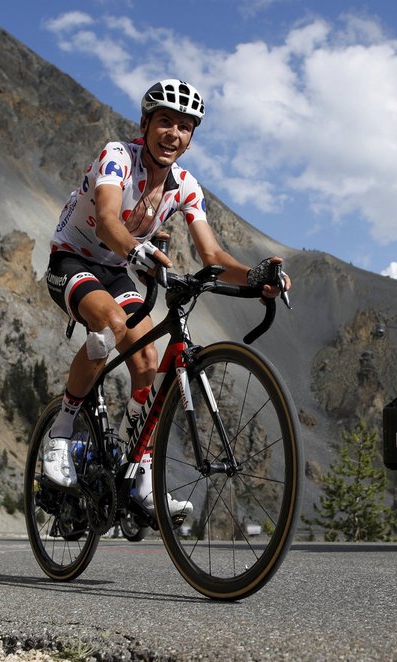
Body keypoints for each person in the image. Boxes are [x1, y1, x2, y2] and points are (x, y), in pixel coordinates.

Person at [42, 79, 290, 516]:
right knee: (110, 326)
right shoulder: (118, 156)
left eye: (184, 126)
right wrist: (139, 250)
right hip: (72, 260)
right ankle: (60, 431)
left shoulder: (186, 187)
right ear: (146, 124)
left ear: (191, 138)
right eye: (165, 121)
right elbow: (105, 219)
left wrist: (256, 278)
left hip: (117, 271)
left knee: (148, 362)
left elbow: (211, 254)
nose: (173, 133)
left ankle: (136, 468)